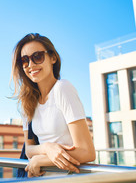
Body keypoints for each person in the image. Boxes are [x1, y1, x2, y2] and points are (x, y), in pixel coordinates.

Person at [11, 33, 95, 177]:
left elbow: (87, 151)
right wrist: (47, 148)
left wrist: (42, 160)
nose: (31, 65)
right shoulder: (27, 102)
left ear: (53, 58)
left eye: (37, 56)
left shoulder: (63, 88)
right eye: (24, 60)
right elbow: (29, 149)